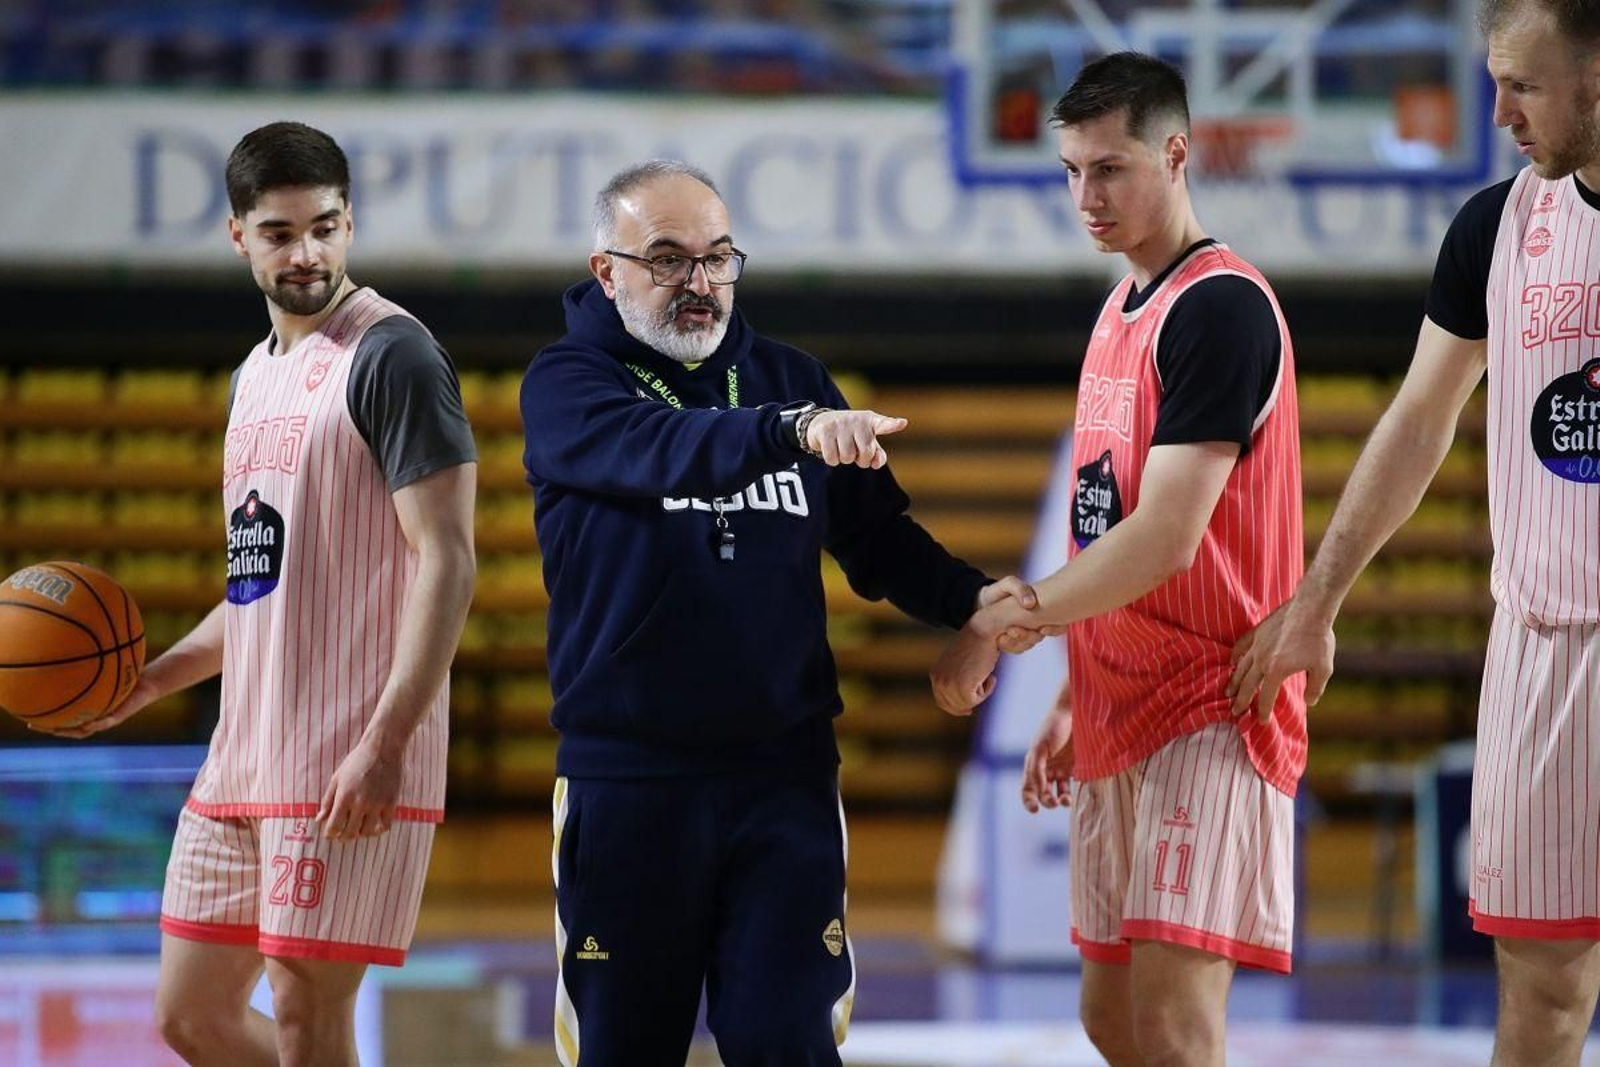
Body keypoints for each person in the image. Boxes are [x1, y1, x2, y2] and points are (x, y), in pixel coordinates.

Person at [520, 158, 1046, 1066]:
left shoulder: (791, 376)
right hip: (627, 786)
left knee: (789, 1046)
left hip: (783, 781)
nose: (701, 283)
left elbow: (878, 540)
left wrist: (975, 600)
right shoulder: (568, 386)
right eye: (668, 259)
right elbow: (658, 450)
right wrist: (787, 430)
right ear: (606, 271)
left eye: (719, 258)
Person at [54, 121, 479, 1066]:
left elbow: (447, 561)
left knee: (302, 1008)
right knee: (190, 1014)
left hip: (347, 757)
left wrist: (386, 743)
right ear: (238, 234)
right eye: (281, 233)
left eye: (325, 227)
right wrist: (153, 681)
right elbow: (259, 585)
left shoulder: (394, 354)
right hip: (241, 753)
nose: (308, 253)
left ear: (350, 222)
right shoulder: (254, 375)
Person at [1228, 1, 1600, 1062]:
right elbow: (1417, 419)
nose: (1498, 113)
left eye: (1522, 86)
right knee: (1540, 993)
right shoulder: (1496, 225)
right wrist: (1314, 601)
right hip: (1541, 649)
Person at [929, 52, 1306, 1066]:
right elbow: (1100, 520)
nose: (1083, 196)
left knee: (1178, 1026)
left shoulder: (1218, 308)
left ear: (1175, 154)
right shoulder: (1121, 307)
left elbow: (1166, 533)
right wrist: (1068, 687)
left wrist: (1005, 620)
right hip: (1116, 696)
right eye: (1068, 171)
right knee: (1112, 1015)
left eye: (1108, 169)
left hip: (1210, 701)